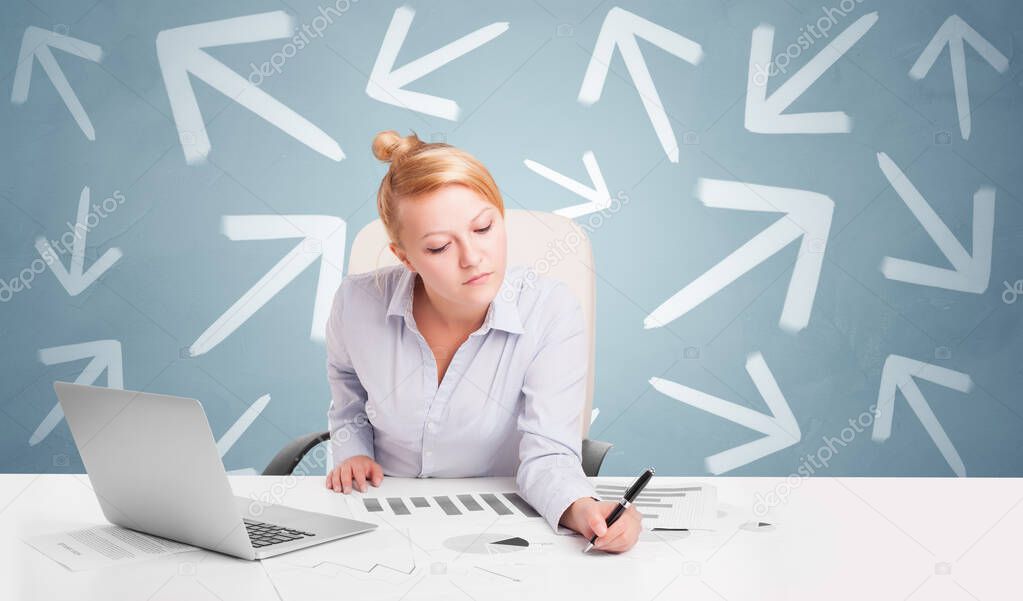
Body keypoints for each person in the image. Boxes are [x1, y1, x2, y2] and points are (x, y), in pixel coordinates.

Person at [323, 130, 641, 553]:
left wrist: (583, 508)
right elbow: (348, 402)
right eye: (438, 247)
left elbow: (548, 453)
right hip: (378, 518)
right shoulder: (356, 303)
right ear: (404, 257)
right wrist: (353, 452)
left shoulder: (549, 310)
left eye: (484, 227)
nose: (472, 257)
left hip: (496, 528)